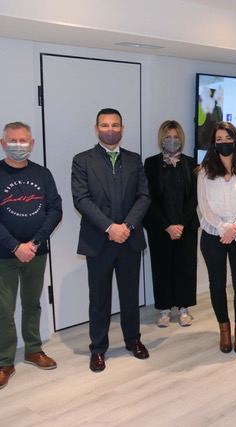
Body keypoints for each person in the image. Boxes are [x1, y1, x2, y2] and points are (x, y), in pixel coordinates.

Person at [71, 108, 151, 372]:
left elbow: (144, 196)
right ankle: (98, 348)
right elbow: (81, 199)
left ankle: (133, 340)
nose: (110, 130)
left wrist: (126, 226)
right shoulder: (82, 160)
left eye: (115, 125)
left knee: (130, 295)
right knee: (99, 299)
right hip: (99, 241)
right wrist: (109, 227)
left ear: (122, 129)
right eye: (105, 125)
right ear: (96, 129)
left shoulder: (134, 159)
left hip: (129, 239)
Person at [0, 122, 62, 390]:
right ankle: (5, 361)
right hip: (4, 254)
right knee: (3, 309)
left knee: (32, 303)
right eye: (12, 141)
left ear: (32, 144)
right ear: (3, 144)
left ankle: (33, 350)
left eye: (23, 140)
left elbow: (55, 209)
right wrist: (15, 246)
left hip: (36, 252)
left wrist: (34, 243)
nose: (18, 145)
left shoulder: (42, 174)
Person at [197, 121, 236, 354]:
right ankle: (224, 330)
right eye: (219, 139)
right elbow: (203, 205)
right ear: (213, 143)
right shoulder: (204, 170)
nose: (223, 143)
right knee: (217, 285)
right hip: (213, 234)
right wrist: (223, 228)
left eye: (228, 138)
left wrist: (235, 228)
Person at [143, 120, 198, 328]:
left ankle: (184, 309)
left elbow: (194, 197)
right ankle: (165, 309)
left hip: (187, 226)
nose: (172, 140)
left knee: (186, 267)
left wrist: (181, 225)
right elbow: (148, 197)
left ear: (181, 139)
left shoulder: (191, 163)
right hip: (160, 227)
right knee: (162, 267)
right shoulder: (150, 163)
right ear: (161, 139)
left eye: (175, 137)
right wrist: (167, 226)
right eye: (168, 137)